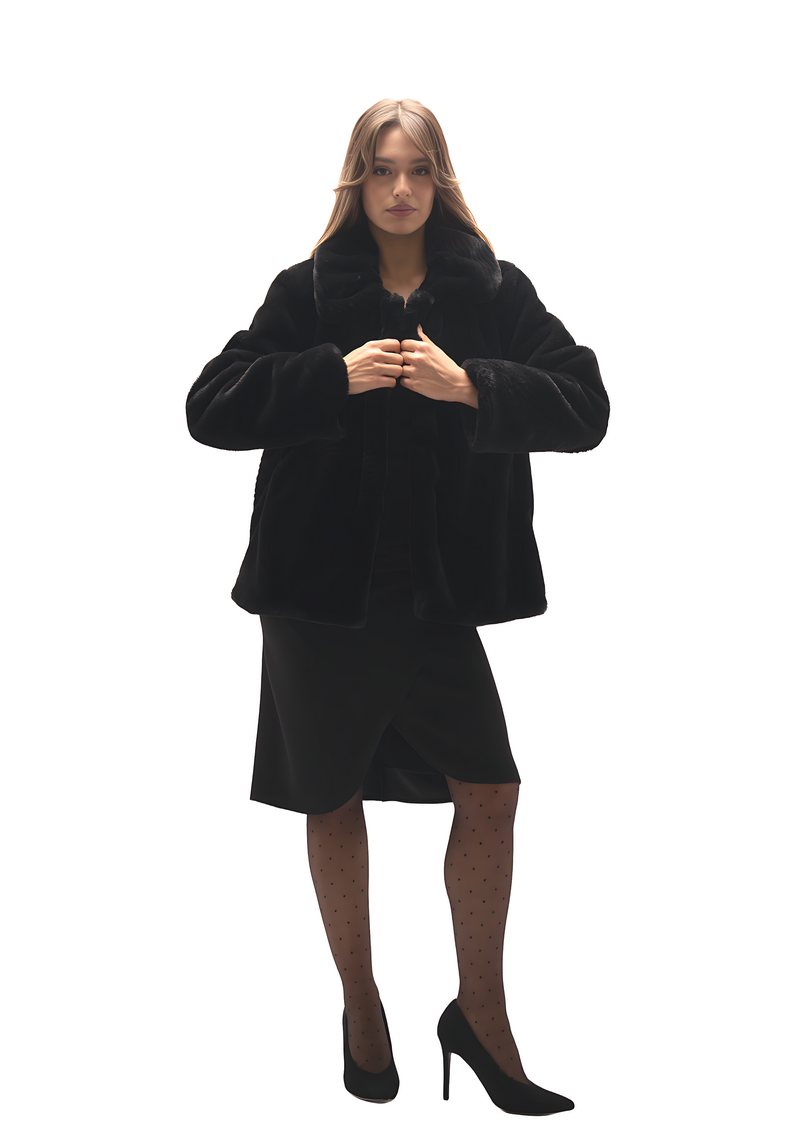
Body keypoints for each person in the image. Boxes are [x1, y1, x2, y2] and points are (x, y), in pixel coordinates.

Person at [186, 98, 609, 1114]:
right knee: (329, 796)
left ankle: (480, 1012)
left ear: (440, 178)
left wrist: (474, 387)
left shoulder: (493, 290)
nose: (402, 189)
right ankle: (361, 1004)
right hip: (316, 600)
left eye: (419, 169)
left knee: (491, 788)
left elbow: (586, 405)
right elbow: (208, 406)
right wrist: (326, 378)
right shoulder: (308, 291)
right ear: (357, 180)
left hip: (433, 603)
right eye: (382, 169)